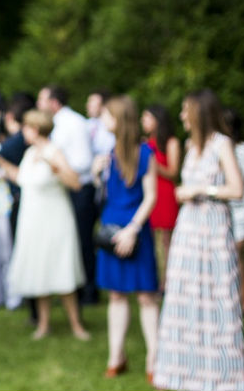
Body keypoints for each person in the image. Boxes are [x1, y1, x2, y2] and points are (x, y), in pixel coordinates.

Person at [153, 89, 244, 391]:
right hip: (188, 230)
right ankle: (183, 372)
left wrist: (202, 190)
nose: (181, 116)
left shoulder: (221, 145)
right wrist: (184, 191)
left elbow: (236, 189)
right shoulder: (190, 146)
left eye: (185, 110)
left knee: (216, 298)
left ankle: (220, 375)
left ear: (198, 113)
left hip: (213, 230)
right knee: (183, 297)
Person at [2, 110, 90, 340]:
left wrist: (55, 167)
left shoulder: (54, 151)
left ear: (35, 129)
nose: (23, 132)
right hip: (32, 219)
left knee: (62, 267)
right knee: (39, 269)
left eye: (26, 128)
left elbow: (76, 183)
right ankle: (43, 324)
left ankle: (76, 324)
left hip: (55, 218)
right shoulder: (30, 152)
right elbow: (22, 179)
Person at [91, 97, 159, 382]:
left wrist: (132, 229)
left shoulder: (146, 154)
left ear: (120, 120)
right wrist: (96, 174)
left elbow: (151, 196)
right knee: (116, 294)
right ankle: (115, 356)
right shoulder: (109, 152)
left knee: (146, 296)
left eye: (107, 116)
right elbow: (104, 192)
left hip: (135, 228)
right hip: (110, 228)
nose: (102, 120)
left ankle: (155, 359)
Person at [36, 86, 98, 304]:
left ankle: (89, 292)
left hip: (80, 188)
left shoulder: (73, 123)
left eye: (41, 100)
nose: (38, 105)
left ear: (54, 103)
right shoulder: (58, 124)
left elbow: (83, 161)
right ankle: (73, 288)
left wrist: (58, 165)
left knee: (82, 241)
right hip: (64, 187)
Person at [0, 95, 33, 310]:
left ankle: (12, 295)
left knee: (5, 249)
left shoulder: (15, 141)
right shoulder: (8, 140)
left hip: (6, 202)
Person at [222, 107, 244, 314]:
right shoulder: (218, 150)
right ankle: (229, 301)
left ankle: (243, 303)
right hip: (224, 210)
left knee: (235, 254)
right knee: (228, 257)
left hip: (242, 209)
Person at [141, 105, 180, 271]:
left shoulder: (171, 142)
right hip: (149, 192)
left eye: (147, 117)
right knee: (150, 240)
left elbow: (173, 172)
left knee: (166, 241)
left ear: (157, 120)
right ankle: (154, 277)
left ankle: (168, 279)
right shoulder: (145, 143)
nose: (143, 121)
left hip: (165, 193)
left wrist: (153, 164)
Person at [86, 90, 116, 162]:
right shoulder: (87, 124)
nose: (88, 106)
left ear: (103, 106)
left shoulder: (110, 126)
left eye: (92, 102)